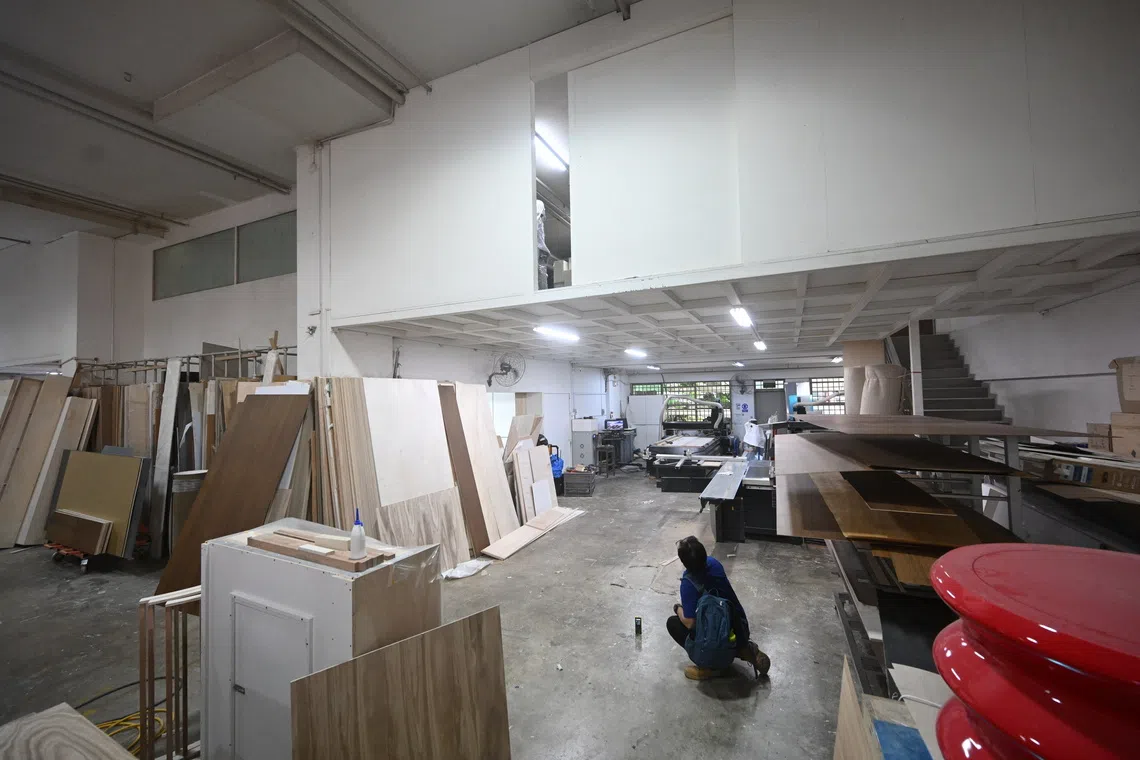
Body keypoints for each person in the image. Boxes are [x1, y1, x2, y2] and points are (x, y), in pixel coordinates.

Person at [667, 536, 770, 680]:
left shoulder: (688, 583)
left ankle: (711, 666)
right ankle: (743, 649)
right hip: (739, 629)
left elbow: (690, 623)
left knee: (673, 623)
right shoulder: (714, 564)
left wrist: (678, 608)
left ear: (685, 563)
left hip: (716, 644)